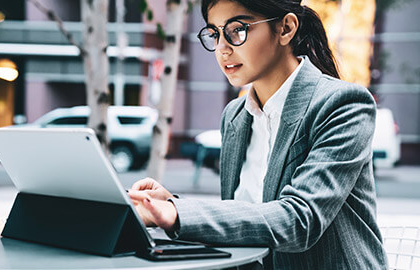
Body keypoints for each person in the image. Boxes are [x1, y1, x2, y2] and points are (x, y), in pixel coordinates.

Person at [129, 0, 388, 268]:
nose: (222, 49)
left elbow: (300, 220)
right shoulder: (235, 116)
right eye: (215, 34)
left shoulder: (343, 104)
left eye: (237, 30)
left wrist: (178, 214)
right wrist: (168, 204)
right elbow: (247, 218)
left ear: (286, 28)